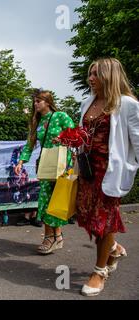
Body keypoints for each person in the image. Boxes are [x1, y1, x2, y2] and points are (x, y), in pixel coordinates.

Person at [76, 58, 138, 296]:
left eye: (96, 74)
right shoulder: (86, 102)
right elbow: (84, 133)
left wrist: (131, 166)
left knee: (104, 220)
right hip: (87, 170)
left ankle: (99, 271)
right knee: (87, 217)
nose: (91, 78)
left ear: (110, 76)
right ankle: (113, 248)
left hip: (109, 171)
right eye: (90, 73)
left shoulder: (127, 104)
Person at [14, 90, 74, 254]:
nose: (35, 104)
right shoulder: (38, 122)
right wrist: (21, 161)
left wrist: (62, 138)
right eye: (34, 101)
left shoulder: (61, 116)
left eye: (38, 101)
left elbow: (75, 134)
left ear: (48, 102)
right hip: (46, 163)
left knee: (57, 200)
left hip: (62, 164)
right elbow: (30, 144)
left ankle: (55, 236)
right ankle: (53, 237)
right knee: (45, 199)